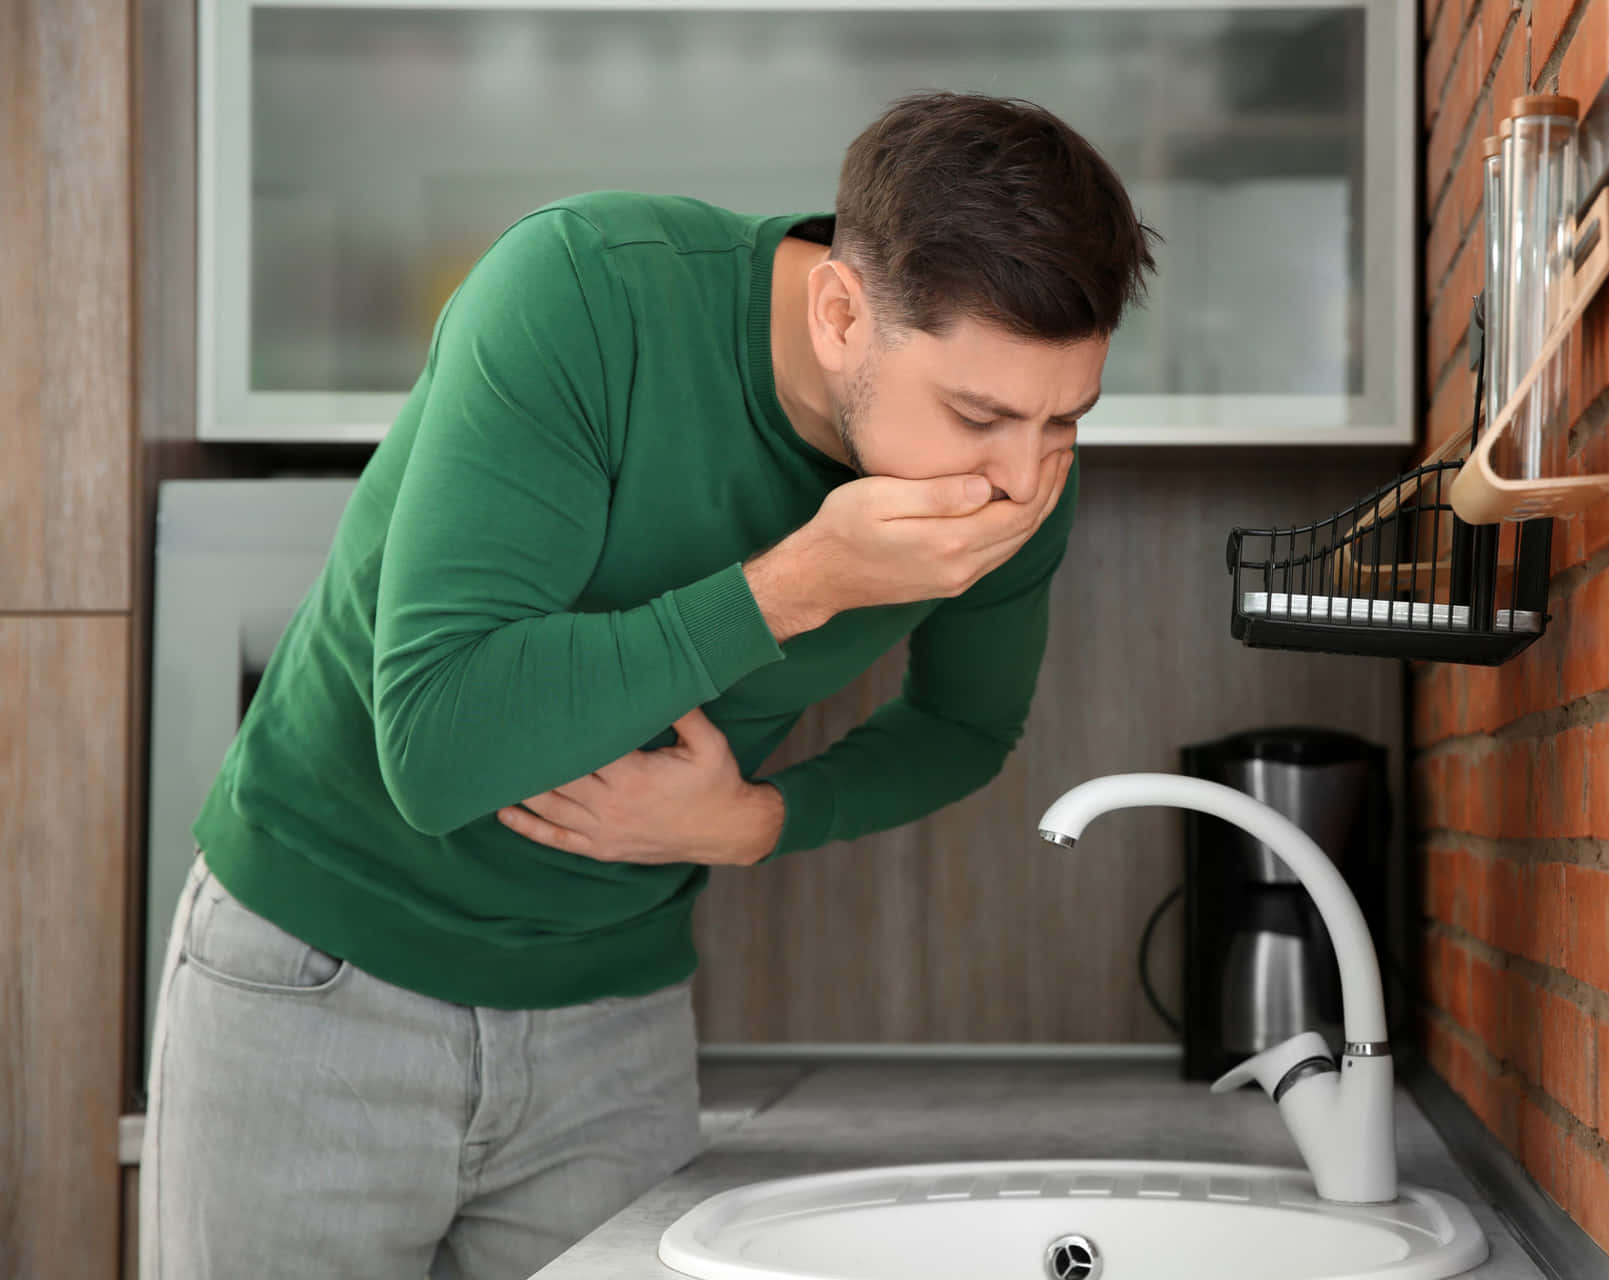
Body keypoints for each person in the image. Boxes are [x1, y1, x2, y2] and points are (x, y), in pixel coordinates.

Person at [141, 90, 1157, 1279]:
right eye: (979, 414)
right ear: (841, 310)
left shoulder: (1020, 459)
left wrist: (756, 821)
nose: (1022, 476)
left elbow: (967, 725)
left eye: (1064, 423)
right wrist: (793, 585)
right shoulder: (583, 291)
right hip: (316, 977)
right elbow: (437, 744)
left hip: (612, 1019)